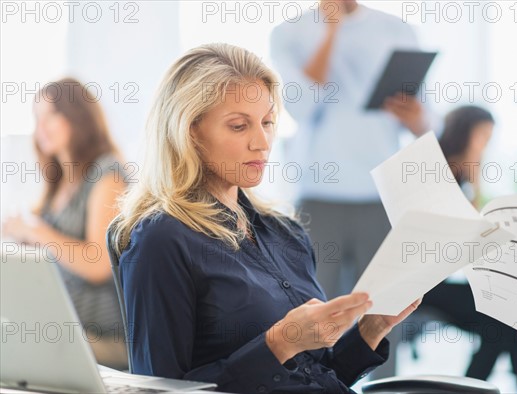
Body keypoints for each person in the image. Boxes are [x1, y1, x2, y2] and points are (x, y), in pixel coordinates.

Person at [110, 43, 422, 394]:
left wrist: (371, 329)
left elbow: (314, 374)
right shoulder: (162, 239)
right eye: (239, 126)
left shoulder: (284, 232)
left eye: (268, 122)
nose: (262, 142)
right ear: (190, 130)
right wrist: (280, 343)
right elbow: (162, 389)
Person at [270, 0, 436, 378]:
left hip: (381, 195)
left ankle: (385, 388)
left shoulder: (396, 29)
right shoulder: (288, 33)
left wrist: (416, 117)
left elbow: (428, 121)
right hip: (317, 194)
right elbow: (302, 107)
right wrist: (331, 30)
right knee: (314, 311)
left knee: (384, 312)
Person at [2, 78, 128, 369]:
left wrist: (37, 233)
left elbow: (98, 264)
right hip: (64, 331)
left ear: (78, 117)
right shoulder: (57, 183)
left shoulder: (107, 174)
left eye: (51, 115)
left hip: (101, 336)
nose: (40, 128)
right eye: (37, 118)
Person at [420, 106, 517, 394]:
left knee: (507, 308)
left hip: (441, 280)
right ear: (465, 134)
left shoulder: (461, 177)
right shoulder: (437, 174)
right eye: (483, 135)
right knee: (503, 317)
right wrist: (475, 178)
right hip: (421, 285)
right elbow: (459, 236)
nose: (486, 144)